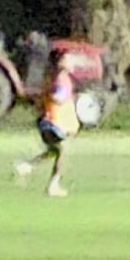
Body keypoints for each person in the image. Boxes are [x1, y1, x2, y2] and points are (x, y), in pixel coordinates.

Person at [32, 40, 88, 197]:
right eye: (68, 59)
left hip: (49, 121)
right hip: (54, 122)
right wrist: (64, 97)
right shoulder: (61, 78)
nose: (72, 62)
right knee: (62, 151)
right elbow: (57, 96)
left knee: (54, 151)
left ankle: (27, 166)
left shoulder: (54, 77)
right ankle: (53, 186)